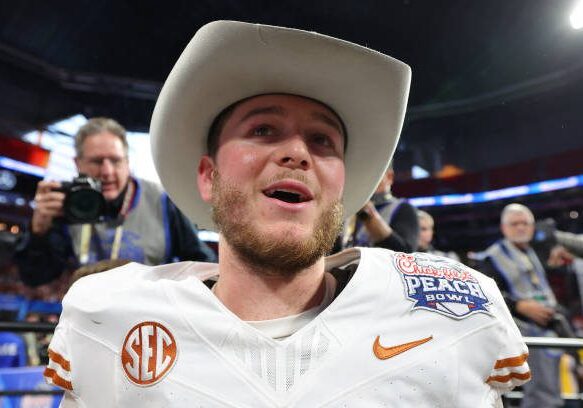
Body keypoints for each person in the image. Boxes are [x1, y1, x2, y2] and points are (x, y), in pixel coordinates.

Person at [44, 21, 529, 407]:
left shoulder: (449, 313)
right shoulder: (111, 317)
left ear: (343, 185)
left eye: (322, 140)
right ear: (209, 175)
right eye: (263, 130)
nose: (297, 152)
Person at [15, 117, 216, 287]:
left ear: (128, 162)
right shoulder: (69, 204)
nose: (107, 172)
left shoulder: (163, 201)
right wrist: (38, 231)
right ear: (77, 164)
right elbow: (35, 278)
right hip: (90, 319)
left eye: (116, 160)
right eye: (96, 161)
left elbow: (206, 267)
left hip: (149, 322)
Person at [481, 203, 565, 408]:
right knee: (540, 394)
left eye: (525, 223)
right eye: (514, 223)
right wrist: (518, 305)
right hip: (521, 331)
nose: (520, 228)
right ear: (504, 228)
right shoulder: (490, 257)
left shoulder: (533, 251)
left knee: (552, 389)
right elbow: (486, 295)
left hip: (548, 328)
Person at [341, 165, 419, 252]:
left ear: (389, 177)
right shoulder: (351, 207)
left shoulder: (404, 208)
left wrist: (370, 215)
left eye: (373, 174)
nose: (366, 180)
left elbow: (406, 253)